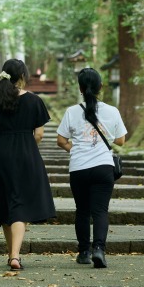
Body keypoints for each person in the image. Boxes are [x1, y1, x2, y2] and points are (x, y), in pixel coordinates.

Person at [0, 58, 55, 271]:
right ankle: (15, 255)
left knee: (5, 202)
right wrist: (26, 146)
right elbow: (39, 134)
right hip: (26, 153)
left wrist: (5, 143)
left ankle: (11, 253)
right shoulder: (34, 100)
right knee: (20, 203)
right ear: (22, 76)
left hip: (1, 154)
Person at [55, 67, 127, 268]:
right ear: (101, 87)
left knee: (82, 211)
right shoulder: (112, 111)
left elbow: (60, 140)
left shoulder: (72, 111)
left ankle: (84, 252)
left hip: (79, 168)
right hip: (103, 167)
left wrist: (75, 149)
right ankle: (99, 250)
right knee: (101, 211)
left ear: (80, 88)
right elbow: (120, 141)